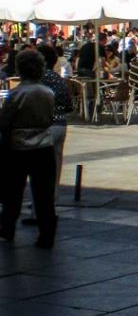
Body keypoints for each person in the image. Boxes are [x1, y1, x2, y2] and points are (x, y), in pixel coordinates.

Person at [0, 49, 57, 249]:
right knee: (43, 194)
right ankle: (47, 234)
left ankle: (7, 228)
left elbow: (5, 121)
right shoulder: (48, 93)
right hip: (44, 146)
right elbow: (50, 118)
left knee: (13, 192)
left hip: (18, 147)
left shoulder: (16, 94)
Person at [37, 44, 72, 213]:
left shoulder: (39, 79)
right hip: (61, 125)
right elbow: (68, 106)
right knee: (57, 164)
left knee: (42, 167)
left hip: (46, 125)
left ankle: (40, 204)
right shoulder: (59, 80)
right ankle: (53, 199)